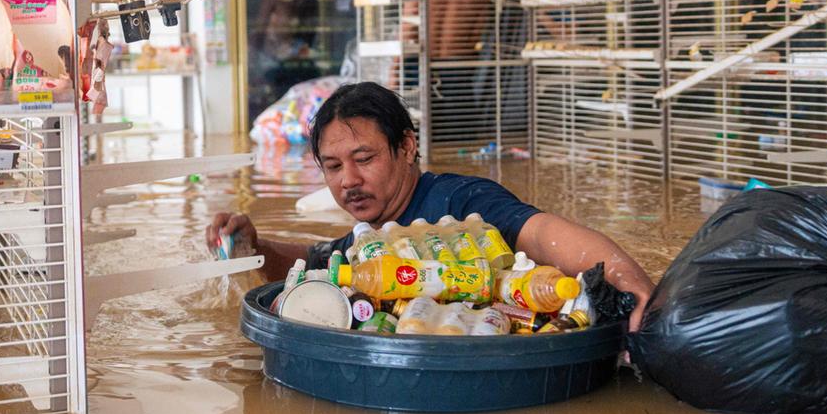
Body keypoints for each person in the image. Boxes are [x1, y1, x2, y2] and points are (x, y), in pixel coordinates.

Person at [208, 82, 656, 330]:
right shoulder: (374, 238)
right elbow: (319, 260)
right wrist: (254, 245)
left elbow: (543, 234)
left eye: (364, 159)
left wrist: (628, 285)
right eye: (332, 166)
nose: (348, 180)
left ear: (406, 147)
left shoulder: (461, 203)